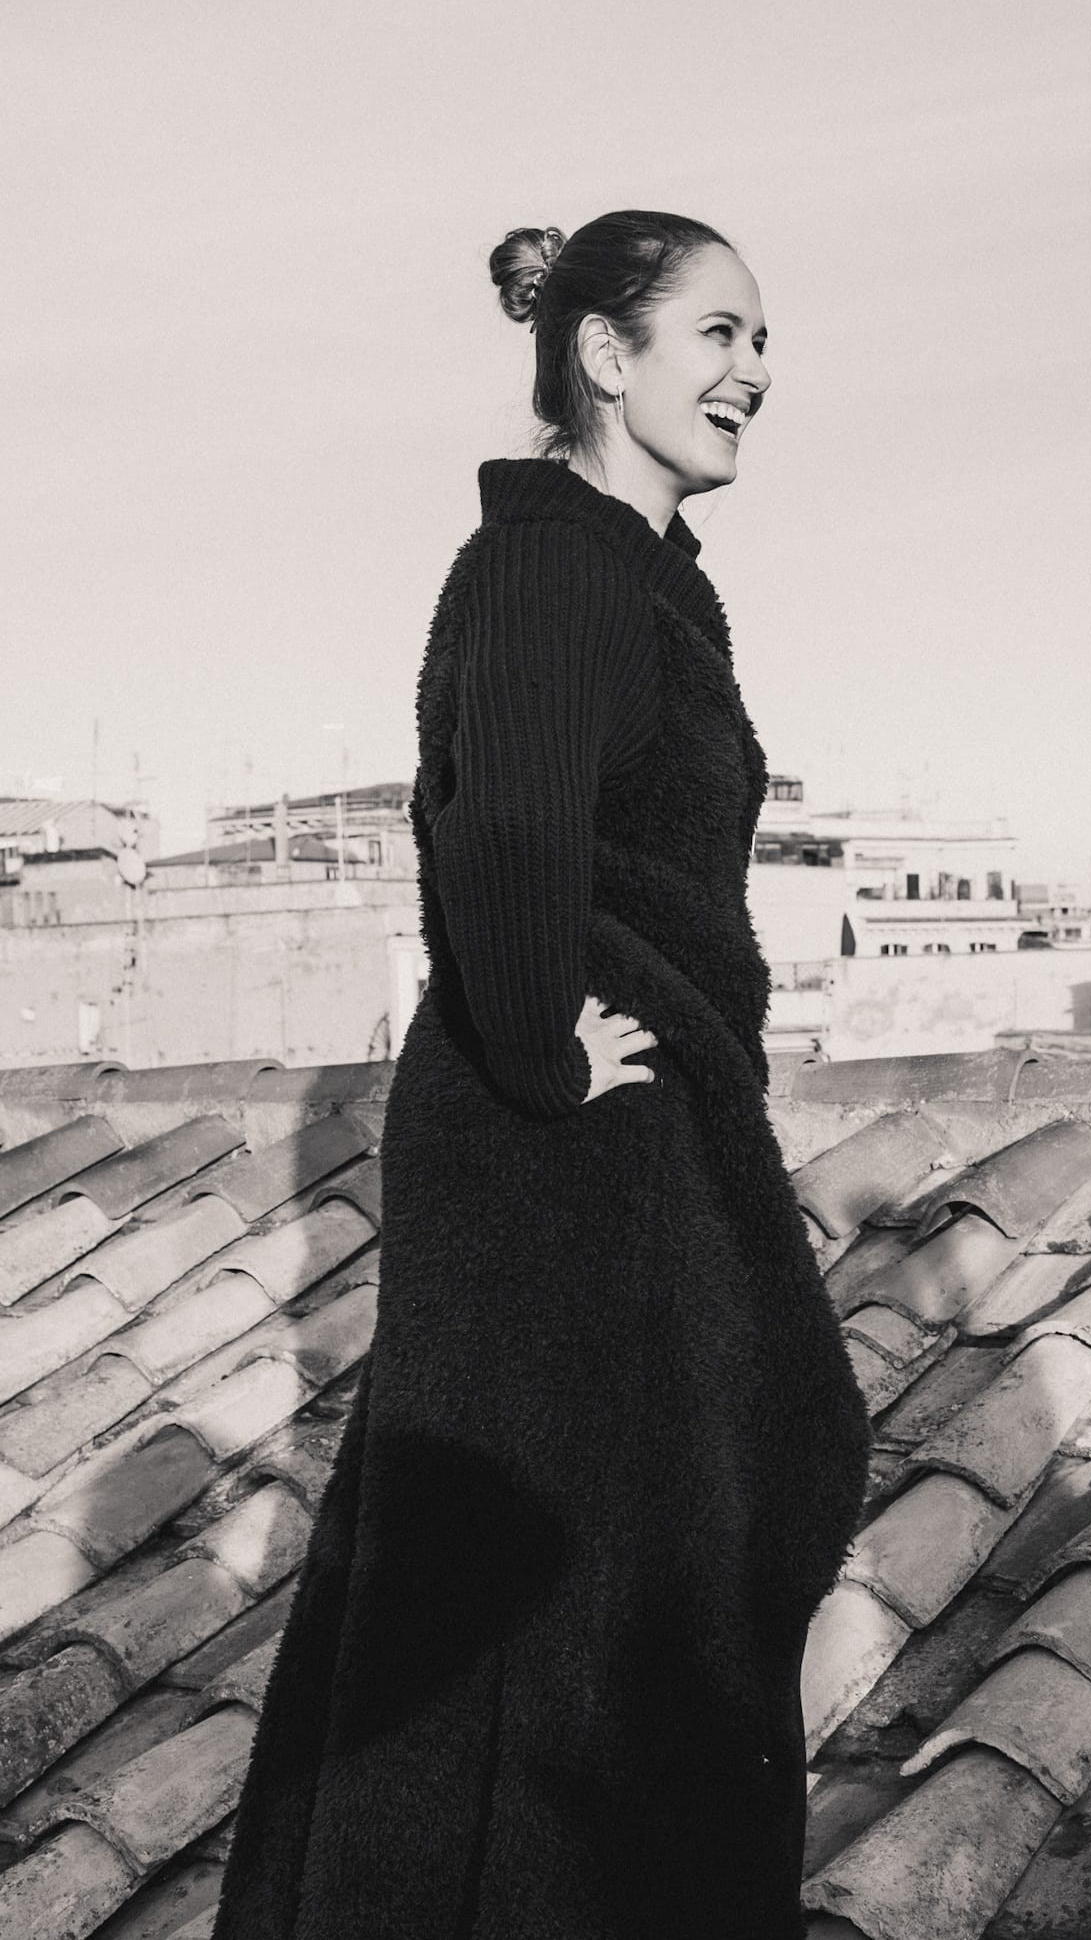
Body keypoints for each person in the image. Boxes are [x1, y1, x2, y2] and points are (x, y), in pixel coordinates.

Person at [210, 209, 871, 1940]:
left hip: (617, 1120)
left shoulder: (626, 568)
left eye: (761, 341)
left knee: (667, 1534)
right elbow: (502, 818)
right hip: (567, 1140)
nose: (753, 371)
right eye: (718, 333)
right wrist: (538, 1048)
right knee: (588, 1582)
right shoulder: (554, 562)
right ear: (603, 353)